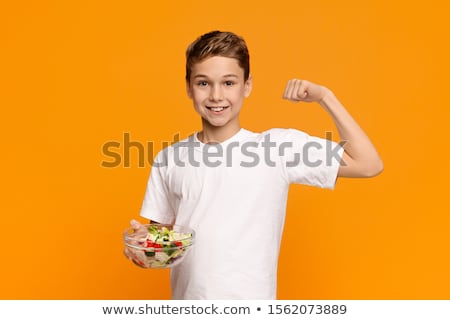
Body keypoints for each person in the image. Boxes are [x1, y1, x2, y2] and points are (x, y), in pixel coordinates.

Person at [128, 30, 383, 299]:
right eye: (204, 83)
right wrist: (142, 246)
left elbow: (368, 164)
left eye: (228, 83)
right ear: (189, 87)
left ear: (246, 85)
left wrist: (325, 97)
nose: (216, 95)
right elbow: (162, 245)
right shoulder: (169, 159)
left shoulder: (275, 149)